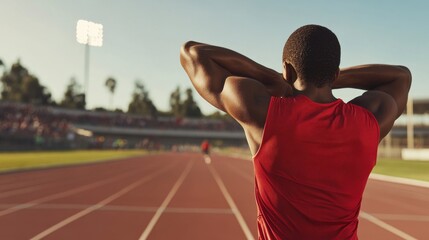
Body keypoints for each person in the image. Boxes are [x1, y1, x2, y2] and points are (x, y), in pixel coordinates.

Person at [180, 24, 411, 239]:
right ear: (335, 74)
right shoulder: (368, 122)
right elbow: (401, 76)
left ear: (288, 70)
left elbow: (193, 54)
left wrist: (276, 78)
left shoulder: (263, 112)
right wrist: (329, 77)